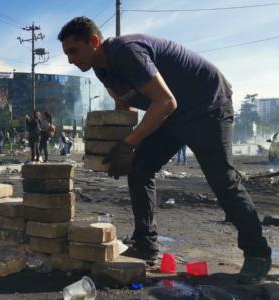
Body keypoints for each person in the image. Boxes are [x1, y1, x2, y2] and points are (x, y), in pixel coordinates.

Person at [58, 16, 271, 283]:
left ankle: (258, 254)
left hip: (206, 106)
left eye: (73, 51)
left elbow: (166, 101)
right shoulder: (101, 69)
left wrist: (129, 144)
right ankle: (145, 246)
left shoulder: (126, 52)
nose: (70, 60)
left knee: (222, 180)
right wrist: (115, 146)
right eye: (66, 54)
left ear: (94, 41)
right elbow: (126, 106)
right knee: (139, 168)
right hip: (172, 114)